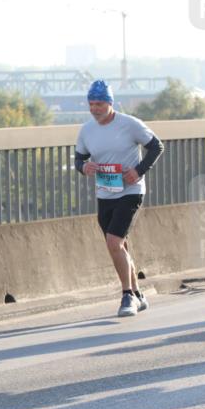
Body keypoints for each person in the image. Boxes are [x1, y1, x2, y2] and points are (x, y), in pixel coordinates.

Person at [75, 79, 164, 317]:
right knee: (119, 246)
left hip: (130, 191)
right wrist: (84, 167)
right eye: (91, 104)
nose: (94, 109)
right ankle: (138, 294)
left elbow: (156, 147)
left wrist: (139, 171)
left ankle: (127, 296)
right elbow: (79, 159)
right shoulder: (87, 130)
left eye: (99, 104)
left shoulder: (129, 124)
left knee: (114, 242)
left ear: (110, 103)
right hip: (105, 192)